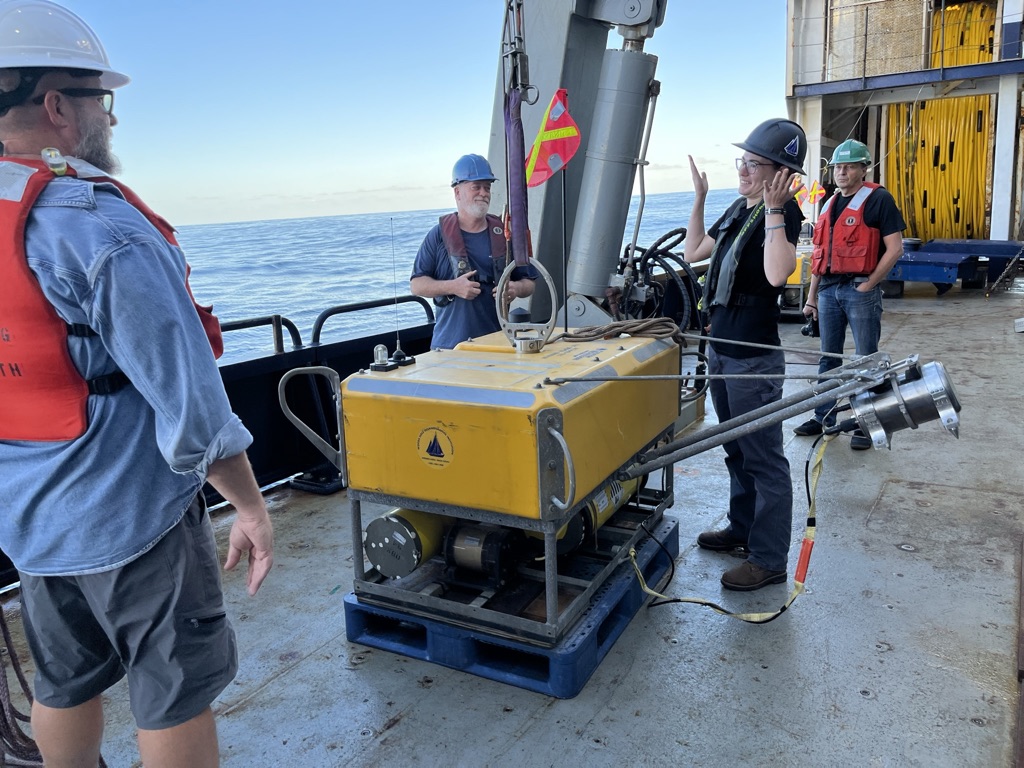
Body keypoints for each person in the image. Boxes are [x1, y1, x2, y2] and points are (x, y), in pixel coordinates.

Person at [0, 2, 273, 765]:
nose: (108, 122)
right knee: (175, 691)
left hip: (28, 524)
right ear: (58, 106)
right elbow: (194, 410)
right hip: (130, 521)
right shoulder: (102, 231)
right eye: (100, 101)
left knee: (62, 684)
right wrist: (249, 505)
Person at [684, 119, 806, 591]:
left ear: (779, 174)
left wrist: (775, 210)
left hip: (752, 361)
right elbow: (695, 249)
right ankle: (742, 527)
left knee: (764, 458)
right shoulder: (738, 210)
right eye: (744, 162)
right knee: (735, 448)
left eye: (754, 164)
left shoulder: (784, 214)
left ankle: (769, 558)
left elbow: (778, 274)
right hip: (721, 351)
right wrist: (698, 198)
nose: (745, 170)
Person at [792, 139, 906, 450]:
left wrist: (868, 285)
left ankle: (865, 424)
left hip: (859, 288)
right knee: (828, 358)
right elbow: (821, 255)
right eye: (838, 167)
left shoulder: (879, 199)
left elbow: (895, 248)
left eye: (849, 166)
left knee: (864, 360)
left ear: (862, 169)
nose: (841, 172)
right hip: (828, 289)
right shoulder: (829, 203)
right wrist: (812, 297)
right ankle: (823, 417)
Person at [410, 153, 537, 349]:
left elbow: (529, 283)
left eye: (487, 187)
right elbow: (417, 286)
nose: (483, 193)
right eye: (475, 187)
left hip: (497, 347)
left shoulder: (505, 234)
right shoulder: (438, 236)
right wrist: (453, 287)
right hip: (449, 349)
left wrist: (516, 289)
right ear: (457, 193)